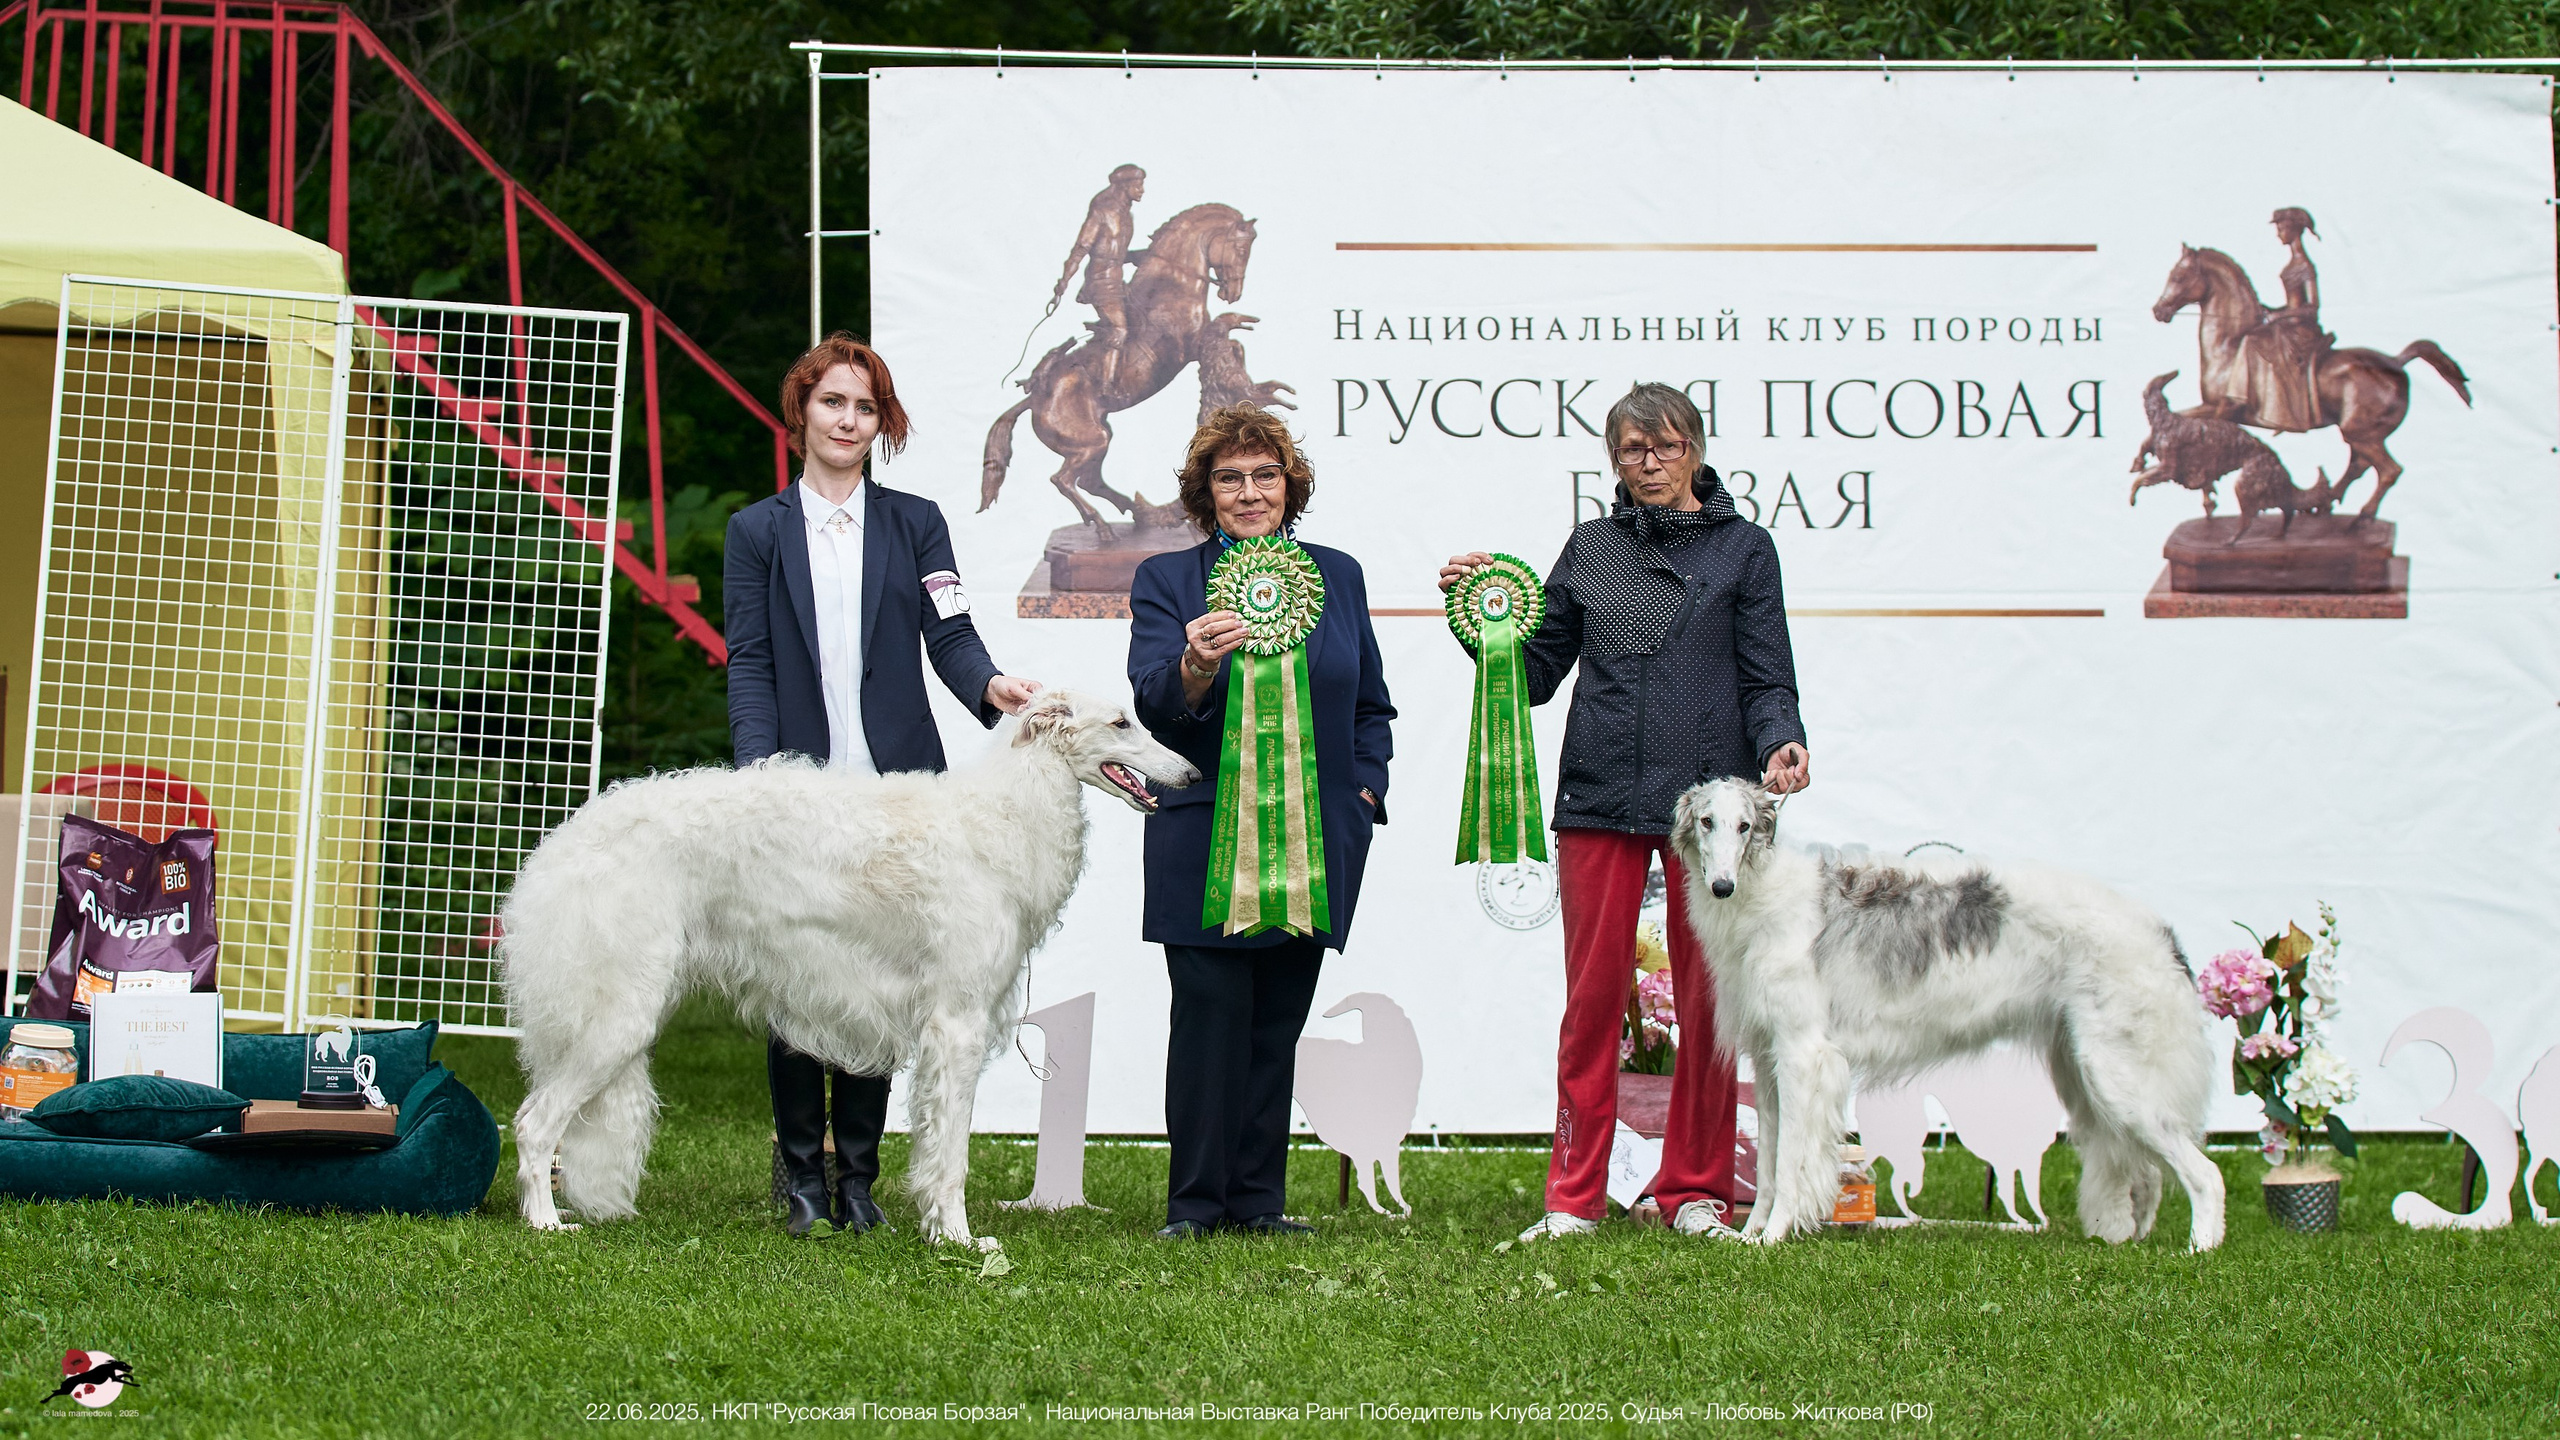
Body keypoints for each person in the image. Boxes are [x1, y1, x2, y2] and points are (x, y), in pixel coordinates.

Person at [1438, 382, 1809, 1243]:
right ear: (1615, 459)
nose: (1650, 462)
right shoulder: (1591, 548)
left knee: (1709, 1004)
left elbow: (1767, 673)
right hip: (1599, 795)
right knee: (1592, 1001)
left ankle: (1695, 1194)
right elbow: (1532, 675)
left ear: (1696, 451)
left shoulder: (1746, 551)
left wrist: (1782, 739)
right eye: (1633, 450)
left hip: (1710, 813)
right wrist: (1477, 628)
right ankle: (1574, 1196)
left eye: (1666, 446)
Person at [725, 332, 1044, 1238]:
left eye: (865, 407)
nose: (848, 419)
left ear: (882, 423)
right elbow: (749, 662)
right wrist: (761, 780)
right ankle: (798, 1178)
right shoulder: (757, 532)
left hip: (902, 793)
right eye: (833, 402)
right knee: (795, 979)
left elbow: (950, 632)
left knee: (879, 982)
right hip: (799, 792)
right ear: (804, 411)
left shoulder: (915, 522)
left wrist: (991, 687)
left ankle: (857, 1178)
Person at [1127, 404, 1394, 1240]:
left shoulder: (1339, 576)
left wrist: (1365, 794)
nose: (1250, 493)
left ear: (1290, 487)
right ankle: (1195, 1206)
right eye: (1230, 478)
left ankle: (1258, 1203)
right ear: (1206, 494)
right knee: (1208, 1023)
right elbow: (1153, 708)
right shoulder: (1167, 582)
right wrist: (1195, 667)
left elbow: (1371, 705)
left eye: (1265, 476)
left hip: (1317, 841)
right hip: (1205, 837)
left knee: (1278, 1023)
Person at [2230, 206, 2331, 433]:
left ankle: (2267, 407)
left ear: (2294, 230)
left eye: (2282, 228)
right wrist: (2272, 310)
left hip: (2301, 332)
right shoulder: (2292, 265)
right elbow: (2295, 305)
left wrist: (2280, 316)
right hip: (2288, 326)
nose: (2278, 234)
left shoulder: (2305, 266)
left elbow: (2312, 308)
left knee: (2252, 342)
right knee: (2253, 337)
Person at [1050, 163, 1147, 393]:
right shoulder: (1102, 212)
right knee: (1120, 330)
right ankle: (1105, 387)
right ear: (1125, 186)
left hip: (1117, 282)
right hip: (1099, 283)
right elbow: (1081, 248)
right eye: (1138, 185)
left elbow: (1117, 254)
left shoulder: (1127, 216)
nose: (1142, 190)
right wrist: (1063, 282)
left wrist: (1141, 256)